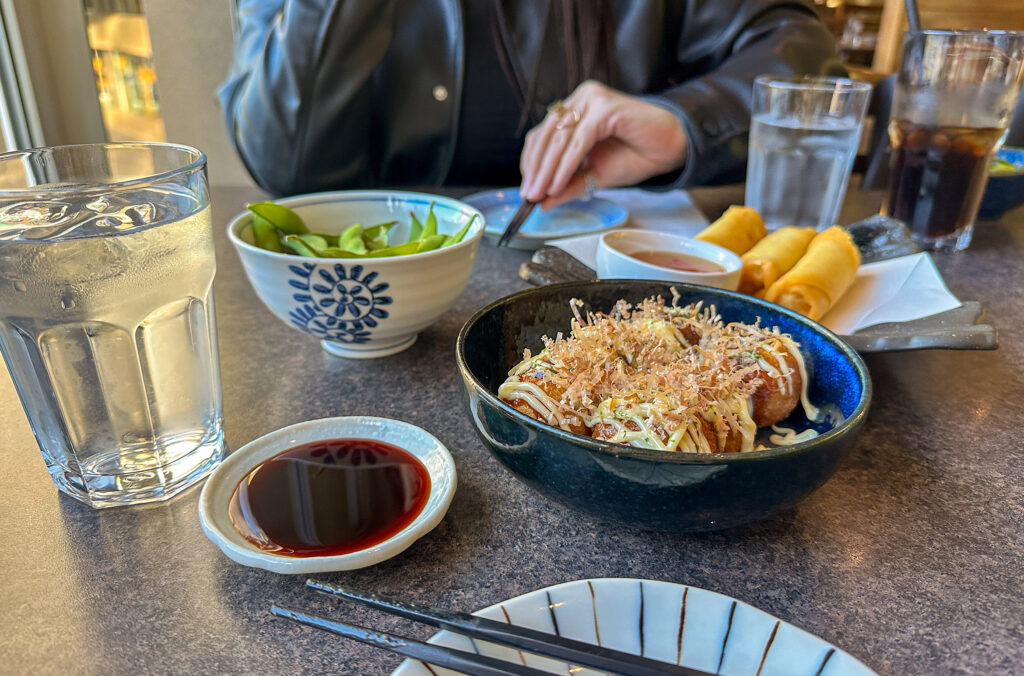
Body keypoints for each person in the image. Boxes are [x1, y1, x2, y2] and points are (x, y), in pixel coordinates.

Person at [219, 0, 842, 207]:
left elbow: (803, 48)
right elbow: (287, 168)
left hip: (613, 274)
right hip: (386, 291)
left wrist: (687, 122)